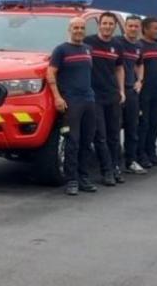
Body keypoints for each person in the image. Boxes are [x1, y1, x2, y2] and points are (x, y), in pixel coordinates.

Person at [47, 17, 98, 196]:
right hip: (71, 102)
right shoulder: (61, 50)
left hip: (89, 100)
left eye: (82, 28)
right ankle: (72, 180)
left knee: (87, 141)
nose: (79, 30)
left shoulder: (87, 49)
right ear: (69, 29)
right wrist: (57, 98)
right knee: (72, 141)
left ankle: (84, 178)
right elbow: (50, 74)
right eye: (75, 27)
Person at [84, 12, 126, 185]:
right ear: (99, 25)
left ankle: (116, 167)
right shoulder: (88, 43)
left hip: (112, 95)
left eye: (111, 24)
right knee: (100, 135)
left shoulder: (117, 45)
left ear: (115, 26)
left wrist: (122, 91)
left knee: (114, 135)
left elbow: (119, 69)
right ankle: (106, 171)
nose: (107, 26)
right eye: (105, 23)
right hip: (95, 96)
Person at [117, 16, 148, 175]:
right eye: (130, 26)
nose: (133, 29)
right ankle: (115, 164)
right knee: (114, 129)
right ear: (125, 27)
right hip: (116, 93)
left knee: (132, 128)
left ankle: (131, 161)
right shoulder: (117, 43)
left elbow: (140, 64)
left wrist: (140, 81)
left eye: (136, 26)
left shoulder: (139, 46)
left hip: (132, 92)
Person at [138, 17, 157, 168]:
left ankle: (151, 152)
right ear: (145, 29)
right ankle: (141, 154)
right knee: (144, 123)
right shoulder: (139, 46)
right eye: (155, 28)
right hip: (145, 91)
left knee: (155, 124)